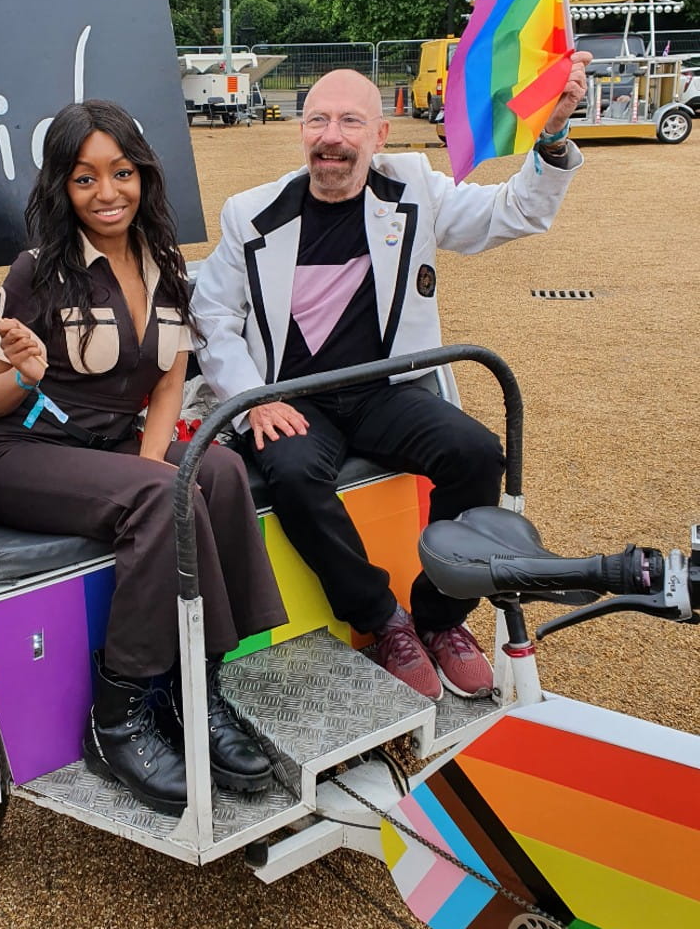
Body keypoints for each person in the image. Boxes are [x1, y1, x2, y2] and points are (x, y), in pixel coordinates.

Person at [192, 60, 591, 703]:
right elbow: (210, 317)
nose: (333, 136)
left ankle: (438, 616)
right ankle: (381, 620)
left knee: (476, 453)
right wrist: (252, 403)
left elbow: (512, 212)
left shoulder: (413, 189)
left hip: (385, 387)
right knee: (291, 473)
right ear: (302, 131)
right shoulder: (251, 214)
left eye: (351, 121)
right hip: (295, 398)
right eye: (319, 119)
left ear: (380, 135)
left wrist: (551, 135)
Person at [0, 99, 288, 815]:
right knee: (159, 498)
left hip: (112, 448)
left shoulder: (167, 264)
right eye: (85, 179)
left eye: (121, 173)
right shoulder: (37, 272)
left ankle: (195, 689)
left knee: (221, 471)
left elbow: (171, 379)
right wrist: (23, 370)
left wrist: (154, 460)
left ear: (143, 174)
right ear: (62, 187)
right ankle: (115, 720)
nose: (106, 193)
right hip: (24, 451)